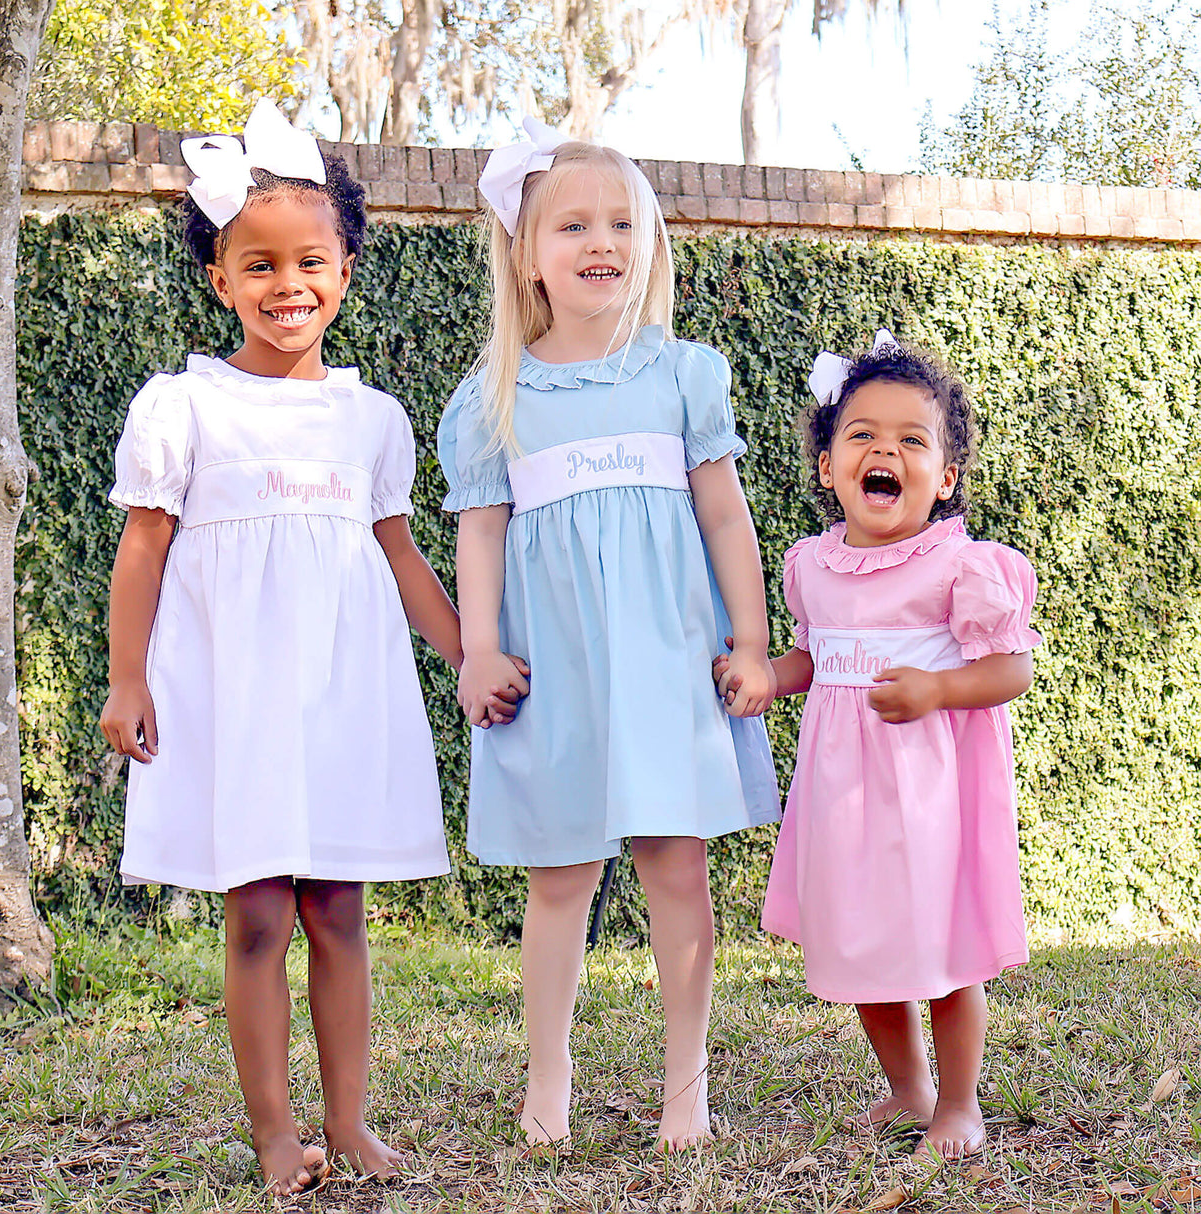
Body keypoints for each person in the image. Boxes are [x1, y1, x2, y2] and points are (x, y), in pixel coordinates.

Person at [97, 100, 512, 1195]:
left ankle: (349, 1118)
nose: (288, 284)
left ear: (345, 268)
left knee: (337, 908)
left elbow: (399, 553)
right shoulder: (183, 406)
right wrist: (126, 676)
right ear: (221, 279)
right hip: (235, 695)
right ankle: (277, 1132)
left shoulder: (369, 417)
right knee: (259, 910)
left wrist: (468, 651)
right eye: (260, 264)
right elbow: (143, 548)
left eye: (310, 262)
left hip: (338, 692)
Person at [437, 119, 780, 1151]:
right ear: (526, 255)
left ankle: (689, 1085)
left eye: (623, 221)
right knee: (560, 878)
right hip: (558, 674)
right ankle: (549, 1077)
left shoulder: (681, 375)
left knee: (675, 864)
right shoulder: (494, 397)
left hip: (668, 664)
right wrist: (479, 649)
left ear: (650, 241)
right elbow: (481, 537)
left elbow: (725, 517)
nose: (603, 240)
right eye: (575, 223)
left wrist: (752, 641)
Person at [719, 331, 1039, 1160]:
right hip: (842, 799)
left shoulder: (959, 567)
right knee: (859, 947)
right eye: (861, 435)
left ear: (945, 476)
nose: (884, 451)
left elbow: (1011, 669)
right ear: (828, 465)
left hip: (929, 796)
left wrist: (938, 687)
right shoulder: (812, 567)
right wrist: (766, 678)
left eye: (910, 440)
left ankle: (959, 1103)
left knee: (942, 950)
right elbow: (814, 658)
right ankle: (908, 1087)